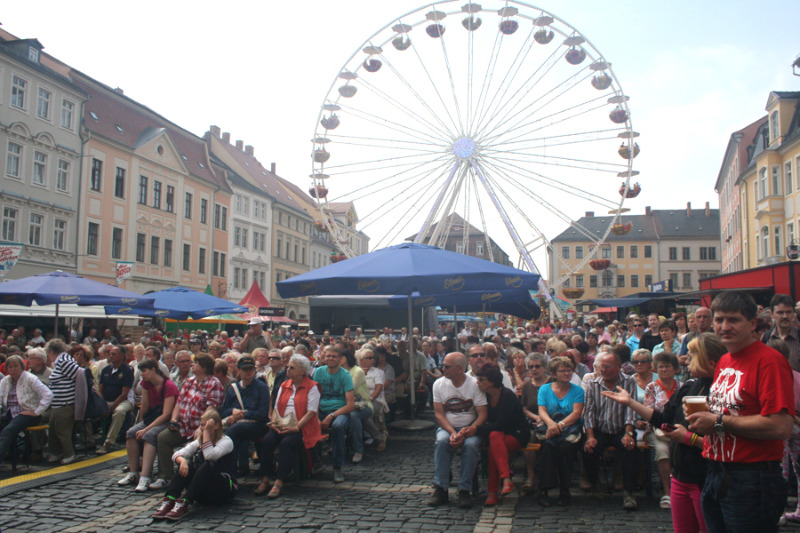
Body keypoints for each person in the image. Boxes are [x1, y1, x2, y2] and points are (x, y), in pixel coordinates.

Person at [686, 292, 794, 532]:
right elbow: (734, 409)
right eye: (719, 320)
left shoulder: (770, 361)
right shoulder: (725, 359)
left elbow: (781, 426)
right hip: (716, 471)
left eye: (733, 320)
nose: (725, 327)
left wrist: (717, 421)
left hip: (752, 477)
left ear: (752, 323)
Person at [602, 333, 726, 533]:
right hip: (680, 476)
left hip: (704, 477)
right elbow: (662, 418)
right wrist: (631, 403)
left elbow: (726, 442)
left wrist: (688, 438)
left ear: (710, 361)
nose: (686, 359)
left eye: (693, 355)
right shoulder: (689, 386)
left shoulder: (722, 391)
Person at [152, 354, 225, 490]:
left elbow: (211, 411)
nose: (192, 365)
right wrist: (174, 420)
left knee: (195, 445)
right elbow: (179, 403)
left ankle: (193, 477)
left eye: (195, 363)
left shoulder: (214, 384)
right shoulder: (190, 381)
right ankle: (165, 476)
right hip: (184, 426)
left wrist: (202, 428)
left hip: (200, 428)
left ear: (203, 367)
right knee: (163, 438)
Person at [151, 407, 236, 521]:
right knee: (188, 465)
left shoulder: (226, 441)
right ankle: (170, 499)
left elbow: (209, 456)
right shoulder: (199, 442)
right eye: (201, 425)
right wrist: (183, 461)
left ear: (216, 426)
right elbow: (177, 454)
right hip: (202, 491)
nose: (203, 428)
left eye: (206, 425)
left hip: (222, 490)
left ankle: (185, 502)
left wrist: (206, 433)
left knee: (208, 465)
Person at [255, 354, 322, 498]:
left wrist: (296, 427)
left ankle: (279, 480)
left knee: (286, 443)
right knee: (267, 441)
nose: (288, 370)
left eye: (292, 368)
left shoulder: (312, 387)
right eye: (287, 367)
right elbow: (276, 407)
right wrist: (273, 422)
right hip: (283, 423)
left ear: (302, 371)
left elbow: (311, 412)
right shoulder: (284, 385)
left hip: (302, 427)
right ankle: (265, 477)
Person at [428, 352, 487, 509]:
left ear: (459, 369)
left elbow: (483, 413)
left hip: (471, 428)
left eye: (447, 366)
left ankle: (464, 489)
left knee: (471, 446)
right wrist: (453, 432)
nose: (443, 368)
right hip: (448, 427)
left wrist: (472, 428)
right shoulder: (438, 384)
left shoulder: (475, 384)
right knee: (441, 442)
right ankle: (440, 488)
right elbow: (439, 414)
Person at [583, 351, 639, 510]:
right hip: (600, 429)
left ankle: (629, 492)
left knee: (630, 448)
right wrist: (590, 436)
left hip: (621, 427)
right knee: (589, 448)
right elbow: (588, 412)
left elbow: (631, 410)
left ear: (618, 367)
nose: (604, 371)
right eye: (602, 367)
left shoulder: (629, 382)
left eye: (608, 367)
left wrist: (628, 433)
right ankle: (595, 484)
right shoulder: (593, 384)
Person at [118, 359, 178, 492]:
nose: (142, 375)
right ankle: (133, 472)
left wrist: (145, 429)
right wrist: (140, 425)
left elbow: (166, 414)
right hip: (151, 418)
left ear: (153, 370)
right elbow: (144, 406)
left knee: (150, 435)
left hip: (164, 421)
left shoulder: (169, 386)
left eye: (144, 371)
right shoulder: (146, 383)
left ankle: (145, 476)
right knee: (131, 433)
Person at [476, 363, 530, 506]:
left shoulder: (507, 396)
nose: (478, 382)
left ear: (492, 381)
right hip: (498, 434)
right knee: (494, 438)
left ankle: (493, 492)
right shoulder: (485, 396)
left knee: (494, 443)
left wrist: (476, 430)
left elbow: (502, 424)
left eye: (481, 380)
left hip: (517, 433)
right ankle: (505, 479)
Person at [536, 356, 584, 507]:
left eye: (569, 370)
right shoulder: (545, 389)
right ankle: (544, 490)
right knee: (547, 448)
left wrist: (560, 425)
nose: (566, 373)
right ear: (554, 374)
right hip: (550, 428)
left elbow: (576, 413)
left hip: (569, 428)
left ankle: (565, 490)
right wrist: (551, 424)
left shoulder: (577, 390)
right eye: (562, 371)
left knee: (565, 449)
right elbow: (542, 411)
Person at [643, 352, 682, 509]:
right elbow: (649, 411)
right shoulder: (651, 387)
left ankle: (682, 489)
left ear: (675, 369)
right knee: (663, 450)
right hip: (657, 431)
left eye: (667, 366)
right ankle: (668, 492)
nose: (664, 369)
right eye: (660, 367)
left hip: (677, 429)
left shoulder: (681, 387)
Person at [220, 355, 270, 477]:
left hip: (257, 425)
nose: (248, 372)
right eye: (245, 369)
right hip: (237, 426)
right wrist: (233, 412)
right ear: (239, 370)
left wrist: (241, 415)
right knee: (236, 437)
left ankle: (224, 464)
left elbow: (263, 414)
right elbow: (224, 410)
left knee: (235, 431)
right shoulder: (233, 388)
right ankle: (231, 471)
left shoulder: (261, 387)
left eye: (251, 369)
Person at [0, 355, 53, 466]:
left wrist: (37, 411)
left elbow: (48, 394)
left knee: (8, 431)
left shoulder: (30, 378)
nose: (13, 369)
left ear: (22, 367)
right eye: (10, 367)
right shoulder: (5, 381)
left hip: (26, 413)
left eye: (16, 366)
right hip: (8, 412)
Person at [313, 344, 355, 483]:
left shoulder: (345, 375)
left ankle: (337, 467)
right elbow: (313, 397)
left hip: (339, 411)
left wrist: (331, 416)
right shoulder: (318, 372)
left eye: (334, 356)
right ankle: (314, 461)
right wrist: (315, 416)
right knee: (309, 424)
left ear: (340, 359)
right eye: (328, 356)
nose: (330, 358)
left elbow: (350, 405)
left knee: (337, 427)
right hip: (321, 409)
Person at [96, 344, 135, 455]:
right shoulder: (105, 370)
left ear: (121, 356)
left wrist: (112, 406)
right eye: (110, 354)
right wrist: (102, 403)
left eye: (113, 354)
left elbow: (124, 394)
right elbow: (101, 388)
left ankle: (108, 442)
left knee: (119, 412)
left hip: (124, 401)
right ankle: (89, 439)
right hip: (106, 400)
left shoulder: (127, 370)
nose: (110, 356)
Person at [46, 339, 80, 464]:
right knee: (54, 428)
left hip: (65, 403)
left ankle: (69, 453)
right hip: (57, 403)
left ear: (51, 351)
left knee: (62, 431)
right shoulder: (60, 361)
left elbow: (78, 376)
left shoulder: (64, 361)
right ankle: (57, 452)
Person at [521, 352, 549, 493]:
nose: (534, 369)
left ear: (544, 368)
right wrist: (535, 416)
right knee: (529, 436)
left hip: (550, 419)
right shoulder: (527, 386)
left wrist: (544, 418)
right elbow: (524, 407)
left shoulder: (552, 383)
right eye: (531, 367)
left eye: (537, 366)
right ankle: (530, 474)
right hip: (532, 419)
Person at [762, 293, 800, 371]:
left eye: (788, 312)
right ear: (772, 314)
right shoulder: (766, 337)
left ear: (793, 313)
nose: (785, 316)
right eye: (780, 313)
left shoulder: (798, 336)